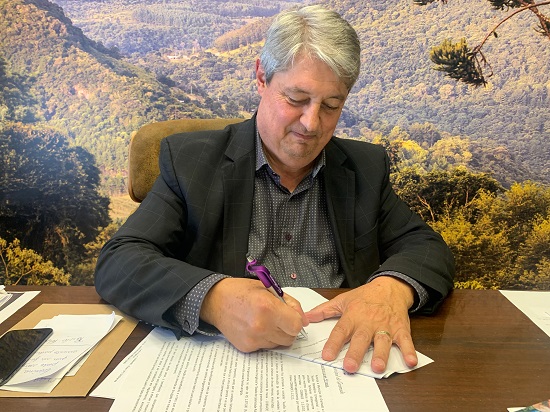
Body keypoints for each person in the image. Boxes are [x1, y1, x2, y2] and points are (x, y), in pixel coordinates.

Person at [95, 5, 455, 375]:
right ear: (261, 78)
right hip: (229, 365)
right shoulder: (192, 162)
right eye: (296, 99)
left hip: (344, 362)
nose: (311, 124)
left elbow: (426, 247)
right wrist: (213, 299)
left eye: (331, 106)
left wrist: (390, 289)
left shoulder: (364, 167)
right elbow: (120, 261)